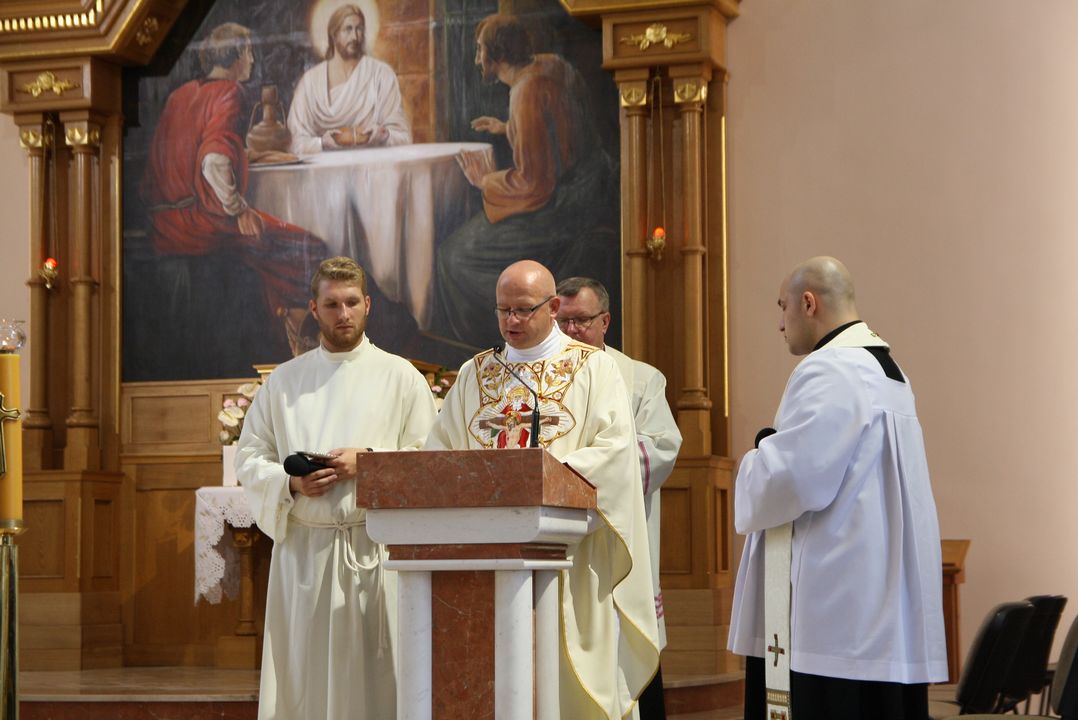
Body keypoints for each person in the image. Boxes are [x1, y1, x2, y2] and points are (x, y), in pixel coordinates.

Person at [426, 260, 659, 719]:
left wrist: (543, 475)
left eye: (523, 310)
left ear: (553, 307)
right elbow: (440, 457)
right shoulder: (476, 373)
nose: (511, 321)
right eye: (503, 310)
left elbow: (614, 455)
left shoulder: (595, 369)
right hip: (484, 563)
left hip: (568, 563)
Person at [728, 256, 947, 720]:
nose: (779, 323)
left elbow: (793, 478)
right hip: (877, 600)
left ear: (808, 303)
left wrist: (756, 455)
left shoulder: (830, 369)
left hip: (833, 610)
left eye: (783, 307)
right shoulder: (889, 371)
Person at [236, 256, 437, 720]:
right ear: (314, 308)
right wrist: (290, 482)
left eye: (351, 302)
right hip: (305, 555)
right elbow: (250, 457)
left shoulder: (401, 377)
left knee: (377, 680)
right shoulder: (284, 382)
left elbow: (430, 459)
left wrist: (368, 462)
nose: (342, 313)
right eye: (331, 304)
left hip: (376, 552)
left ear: (368, 305)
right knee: (306, 678)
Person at [142, 22, 326, 378]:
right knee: (305, 249)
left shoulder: (180, 94)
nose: (253, 60)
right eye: (249, 52)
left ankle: (289, 340)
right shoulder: (230, 92)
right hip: (200, 227)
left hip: (164, 224)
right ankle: (297, 354)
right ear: (236, 55)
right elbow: (213, 161)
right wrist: (239, 210)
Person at [433, 14, 619, 350]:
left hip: (561, 207)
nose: (476, 59)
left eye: (480, 50)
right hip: (591, 187)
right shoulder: (551, 64)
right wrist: (509, 127)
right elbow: (560, 128)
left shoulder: (524, 92)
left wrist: (485, 181)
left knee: (453, 256)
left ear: (498, 53)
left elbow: (533, 185)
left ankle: (498, 341)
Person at [556, 276, 682, 720]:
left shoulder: (640, 378)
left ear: (605, 321)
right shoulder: (544, 378)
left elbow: (662, 446)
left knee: (623, 639)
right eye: (562, 320)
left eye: (581, 320)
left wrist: (589, 470)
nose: (571, 330)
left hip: (617, 536)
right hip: (558, 542)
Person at [288, 4, 411, 153]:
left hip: (372, 163)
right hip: (325, 166)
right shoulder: (310, 83)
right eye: (348, 29)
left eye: (359, 29)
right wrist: (321, 143)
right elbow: (294, 142)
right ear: (334, 34)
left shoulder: (381, 75)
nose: (355, 37)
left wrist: (384, 135)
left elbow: (402, 136)